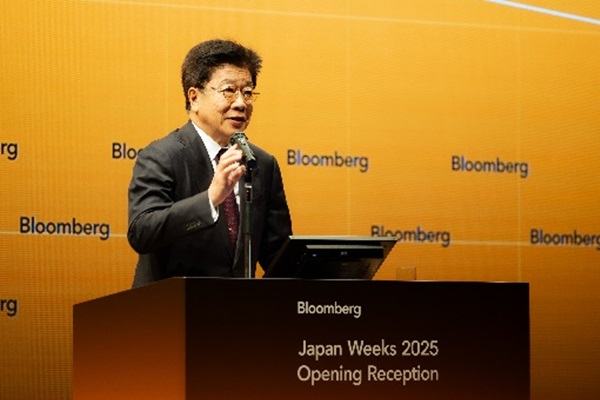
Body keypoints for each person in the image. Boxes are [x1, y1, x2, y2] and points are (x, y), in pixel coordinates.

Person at [127, 39, 293, 287]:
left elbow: (277, 254)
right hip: (174, 304)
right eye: (229, 90)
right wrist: (211, 199)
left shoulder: (261, 164)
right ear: (194, 97)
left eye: (248, 92)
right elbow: (142, 232)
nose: (241, 103)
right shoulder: (162, 155)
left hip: (237, 307)